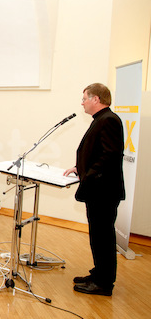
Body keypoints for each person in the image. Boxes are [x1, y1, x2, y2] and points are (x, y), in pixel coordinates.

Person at [63, 83, 125, 296]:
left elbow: (109, 155)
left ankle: (104, 283)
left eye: (84, 99)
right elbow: (96, 153)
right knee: (98, 236)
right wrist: (79, 168)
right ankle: (98, 274)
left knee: (103, 237)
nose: (82, 103)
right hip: (98, 189)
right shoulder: (102, 119)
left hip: (103, 191)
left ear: (96, 99)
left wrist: (88, 174)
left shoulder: (109, 120)